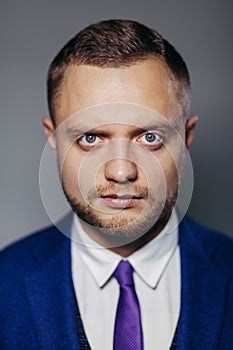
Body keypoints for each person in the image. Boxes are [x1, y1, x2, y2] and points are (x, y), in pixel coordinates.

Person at [0, 19, 232, 350]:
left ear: (186, 137)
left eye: (150, 137)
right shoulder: (4, 282)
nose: (121, 171)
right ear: (53, 138)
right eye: (90, 138)